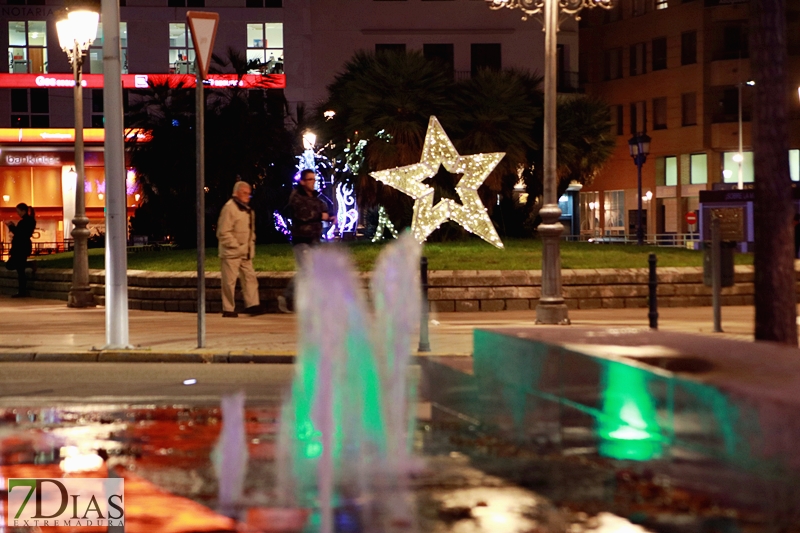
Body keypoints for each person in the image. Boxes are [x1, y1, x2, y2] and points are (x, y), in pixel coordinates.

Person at [278, 169, 335, 312]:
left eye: (314, 179)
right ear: (302, 181)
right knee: (305, 271)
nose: (313, 182)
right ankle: (287, 298)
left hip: (314, 239)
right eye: (310, 179)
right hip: (301, 239)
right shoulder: (296, 197)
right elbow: (302, 214)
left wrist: (329, 216)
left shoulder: (316, 198)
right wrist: (320, 215)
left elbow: (324, 210)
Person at [216, 181, 263, 317]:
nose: (247, 196)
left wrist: (249, 245)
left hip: (245, 252)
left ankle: (252, 304)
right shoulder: (229, 208)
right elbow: (223, 232)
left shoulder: (248, 210)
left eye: (249, 194)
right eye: (244, 193)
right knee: (229, 282)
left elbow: (250, 230)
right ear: (236, 193)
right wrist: (236, 246)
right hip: (232, 252)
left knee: (250, 278)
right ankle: (228, 308)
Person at [4, 203, 36, 298]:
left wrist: (11, 227)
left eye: (18, 211)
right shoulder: (27, 221)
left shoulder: (26, 221)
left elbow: (20, 233)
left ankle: (22, 291)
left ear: (23, 211)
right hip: (21, 246)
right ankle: (29, 265)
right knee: (16, 267)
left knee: (19, 270)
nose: (17, 213)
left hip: (21, 247)